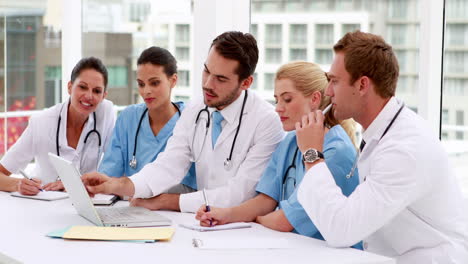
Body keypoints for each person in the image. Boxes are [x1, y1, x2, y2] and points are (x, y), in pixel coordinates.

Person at [295, 31, 468, 263]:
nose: (328, 92)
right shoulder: (384, 132)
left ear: (363, 84)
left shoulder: (404, 149)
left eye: (334, 81)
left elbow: (341, 229)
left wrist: (312, 154)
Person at [82, 31, 284, 213]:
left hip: (245, 230)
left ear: (246, 83)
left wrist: (169, 201)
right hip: (202, 221)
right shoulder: (196, 110)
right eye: (206, 71)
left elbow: (240, 194)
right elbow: (169, 164)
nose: (207, 84)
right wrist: (118, 185)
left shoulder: (267, 122)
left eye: (220, 79)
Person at [195, 61, 361, 249]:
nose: (278, 108)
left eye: (287, 99)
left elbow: (285, 221)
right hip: (295, 249)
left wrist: (255, 219)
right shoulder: (290, 141)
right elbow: (266, 199)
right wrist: (225, 214)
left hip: (335, 255)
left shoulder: (336, 152)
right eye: (276, 100)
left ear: (315, 99)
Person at [0, 57, 115, 195]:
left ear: (104, 96)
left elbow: (116, 169)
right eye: (82, 87)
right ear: (70, 87)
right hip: (45, 204)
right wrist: (18, 185)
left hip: (88, 206)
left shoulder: (105, 113)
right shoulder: (42, 122)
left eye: (97, 91)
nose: (89, 96)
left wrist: (77, 184)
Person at [98, 46, 196, 190]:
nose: (146, 91)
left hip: (174, 210)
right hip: (131, 206)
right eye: (141, 84)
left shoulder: (191, 120)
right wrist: (84, 185)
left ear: (173, 80)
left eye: (154, 83)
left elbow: (191, 185)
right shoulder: (128, 118)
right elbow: (109, 175)